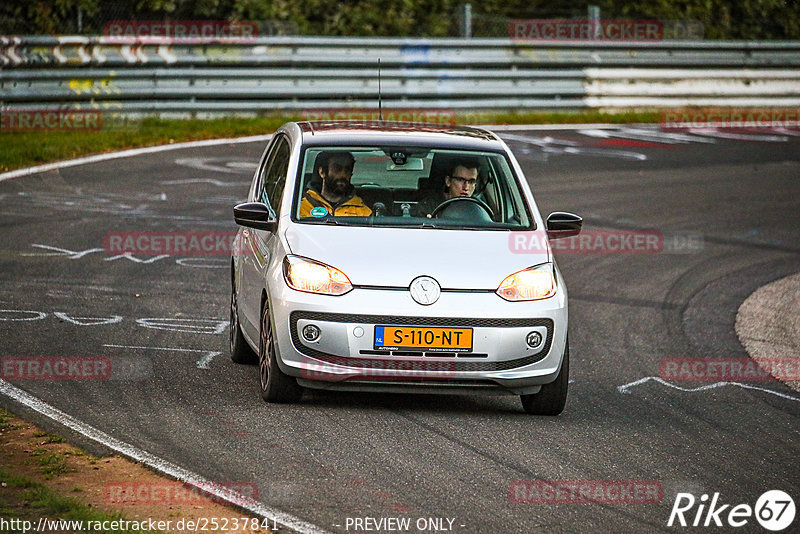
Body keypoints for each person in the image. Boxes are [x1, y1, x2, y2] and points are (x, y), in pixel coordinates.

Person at [299, 151, 372, 217]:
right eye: (337, 169)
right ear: (322, 172)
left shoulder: (364, 213)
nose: (343, 174)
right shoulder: (301, 209)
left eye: (347, 170)